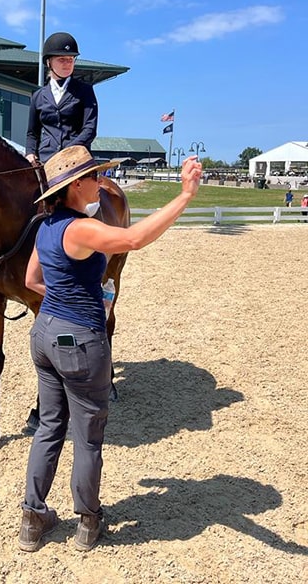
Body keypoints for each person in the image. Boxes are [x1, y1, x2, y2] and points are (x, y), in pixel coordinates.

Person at [18, 145, 202, 552]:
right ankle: (87, 520)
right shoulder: (80, 228)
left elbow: (32, 280)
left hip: (45, 333)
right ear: (75, 185)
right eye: (95, 176)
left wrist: (74, 297)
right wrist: (185, 195)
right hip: (80, 341)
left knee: (50, 426)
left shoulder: (45, 225)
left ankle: (33, 517)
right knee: (87, 436)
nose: (101, 182)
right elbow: (134, 239)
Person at [25, 32, 98, 165]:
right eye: (62, 60)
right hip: (47, 159)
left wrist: (68, 151)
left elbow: (89, 129)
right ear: (49, 62)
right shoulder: (38, 96)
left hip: (76, 159)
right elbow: (32, 133)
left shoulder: (85, 91)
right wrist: (30, 153)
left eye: (70, 59)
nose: (67, 64)